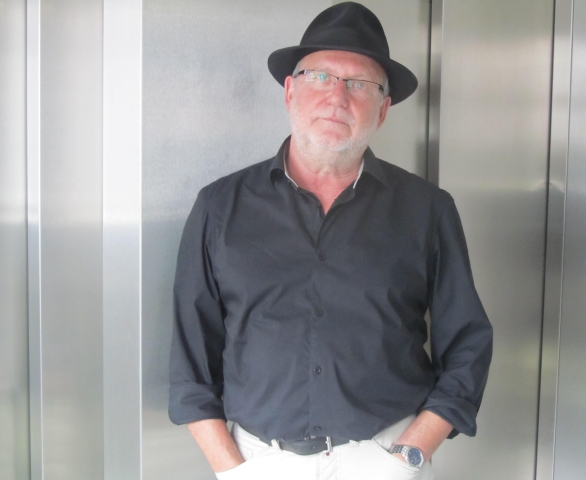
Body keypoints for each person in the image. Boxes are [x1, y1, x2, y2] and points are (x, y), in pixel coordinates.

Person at [169, 3, 492, 479]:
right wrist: (233, 471)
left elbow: (467, 347)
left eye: (360, 84)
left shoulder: (428, 210)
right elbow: (190, 361)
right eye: (320, 77)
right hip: (258, 461)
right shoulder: (219, 207)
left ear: (383, 110)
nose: (337, 97)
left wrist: (408, 457)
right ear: (290, 91)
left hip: (383, 458)